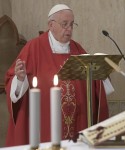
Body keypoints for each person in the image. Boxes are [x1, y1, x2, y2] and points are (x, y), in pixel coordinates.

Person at [5, 4, 113, 147]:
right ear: (51, 25)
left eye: (72, 24)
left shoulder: (78, 49)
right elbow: (13, 83)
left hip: (77, 123)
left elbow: (93, 83)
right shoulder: (34, 48)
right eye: (64, 24)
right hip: (44, 126)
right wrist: (20, 79)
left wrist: (101, 73)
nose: (69, 29)